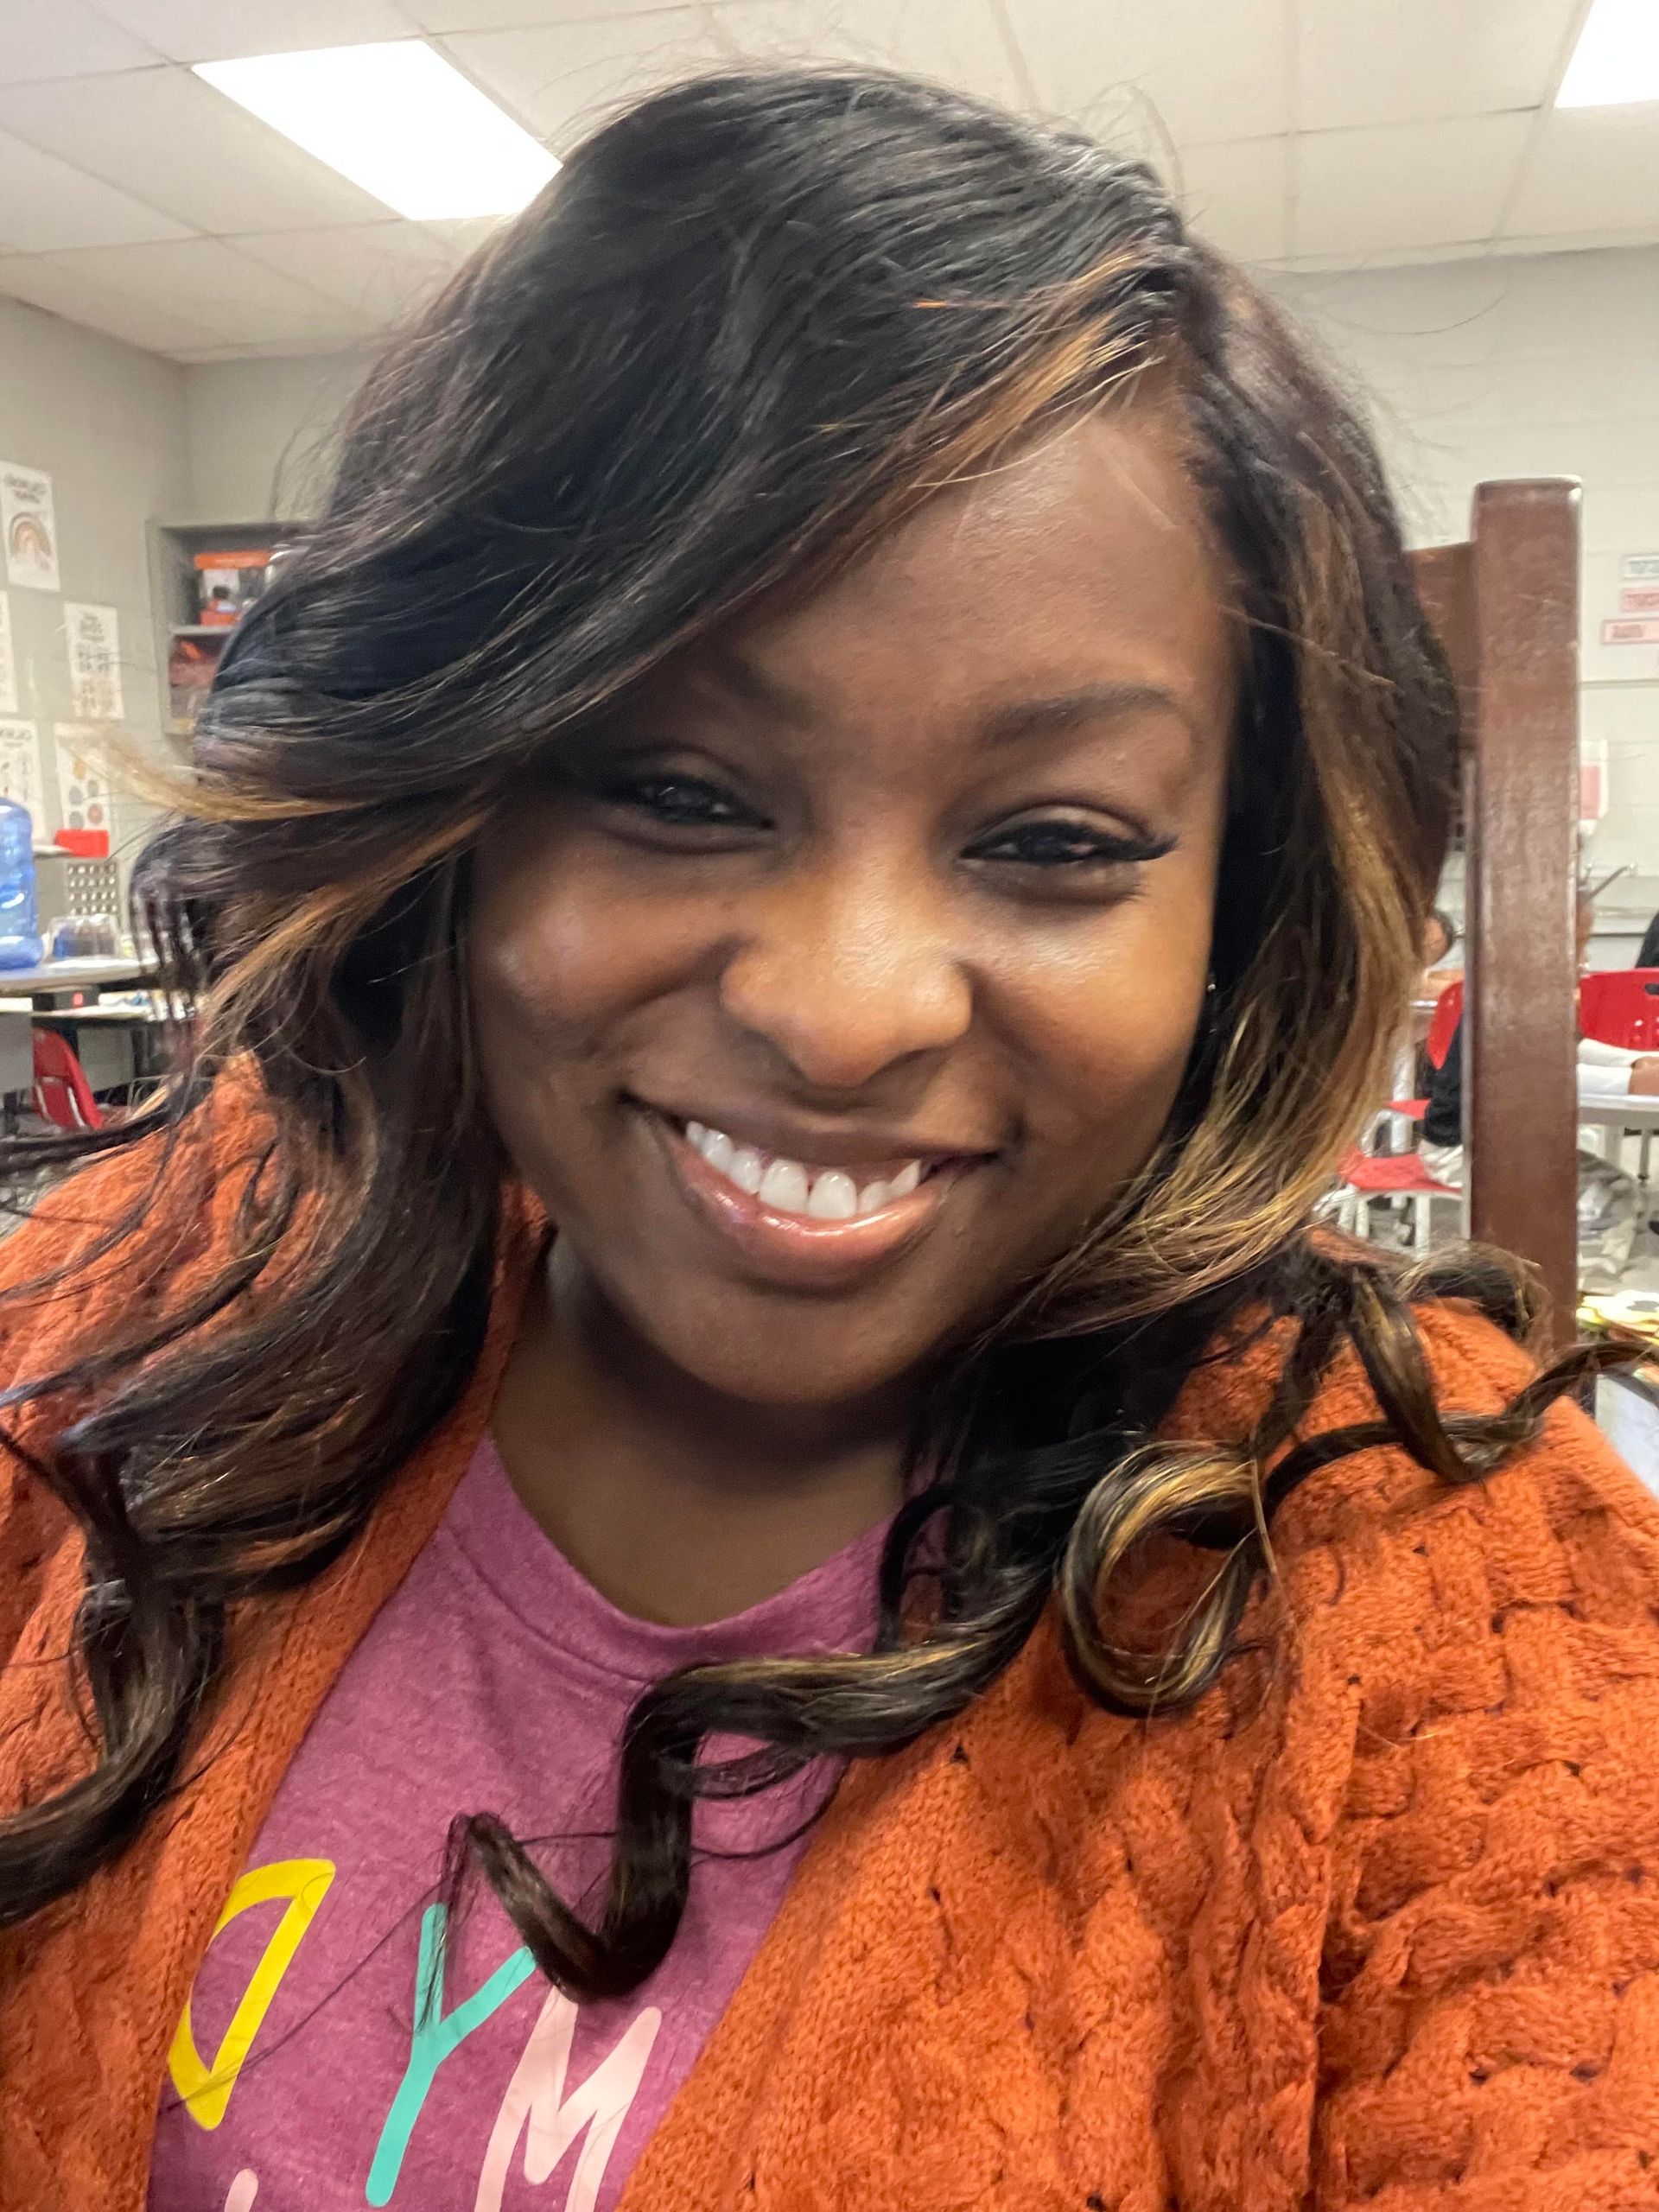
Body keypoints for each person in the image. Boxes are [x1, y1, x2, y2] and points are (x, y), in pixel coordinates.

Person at [3, 71, 1658, 2212]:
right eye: (679, 792)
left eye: (1054, 840)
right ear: (453, 806)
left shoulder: (1458, 1608)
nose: (846, 1006)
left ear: (1234, 908)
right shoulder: (160, 1298)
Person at [1421, 884, 1659, 1186]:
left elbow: (1569, 1050)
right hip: (1464, 1151)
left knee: (1610, 1185)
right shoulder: (1505, 1000)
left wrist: (1634, 1061)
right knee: (1612, 1193)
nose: (1583, 962)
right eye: (1576, 947)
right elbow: (1537, 1078)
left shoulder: (1528, 992)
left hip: (1501, 1142)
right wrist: (1629, 1081)